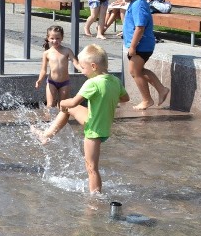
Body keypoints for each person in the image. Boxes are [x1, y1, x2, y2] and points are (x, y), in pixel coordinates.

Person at [33, 44, 129, 194]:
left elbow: (72, 102)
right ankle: (46, 136)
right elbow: (125, 98)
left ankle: (95, 198)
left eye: (83, 68)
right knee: (70, 110)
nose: (82, 72)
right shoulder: (115, 80)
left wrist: (61, 103)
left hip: (94, 130)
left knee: (91, 168)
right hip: (101, 122)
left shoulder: (92, 83)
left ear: (93, 66)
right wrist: (107, 98)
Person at [116, 0, 170, 110]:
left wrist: (133, 46)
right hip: (140, 44)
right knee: (139, 70)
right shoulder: (135, 2)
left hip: (141, 45)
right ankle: (161, 90)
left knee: (134, 71)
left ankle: (147, 100)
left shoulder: (139, 4)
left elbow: (140, 27)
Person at [35, 25, 81, 108]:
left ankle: (60, 121)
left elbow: (75, 63)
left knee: (62, 106)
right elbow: (43, 70)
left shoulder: (67, 51)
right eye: (52, 38)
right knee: (50, 105)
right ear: (48, 38)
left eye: (58, 38)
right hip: (51, 82)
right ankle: (49, 120)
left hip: (64, 83)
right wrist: (40, 79)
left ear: (62, 38)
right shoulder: (47, 53)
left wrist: (82, 69)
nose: (55, 40)